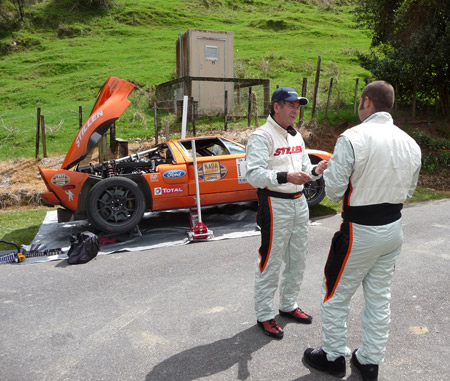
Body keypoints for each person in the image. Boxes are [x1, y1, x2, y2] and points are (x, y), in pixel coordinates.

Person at [303, 81, 422, 380]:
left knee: (335, 292)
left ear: (366, 102)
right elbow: (408, 190)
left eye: (360, 102)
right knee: (379, 295)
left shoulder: (352, 138)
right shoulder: (410, 143)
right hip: (393, 227)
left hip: (359, 228)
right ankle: (369, 360)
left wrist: (331, 171)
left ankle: (332, 356)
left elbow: (333, 193)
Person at [246, 87, 328, 339]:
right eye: (290, 105)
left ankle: (288, 304)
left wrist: (316, 170)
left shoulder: (296, 137)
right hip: (274, 203)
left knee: (298, 257)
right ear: (276, 106)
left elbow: (304, 169)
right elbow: (252, 174)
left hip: (298, 203)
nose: (295, 110)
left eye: (298, 106)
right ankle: (264, 314)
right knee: (271, 261)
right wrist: (284, 176)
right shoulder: (261, 137)